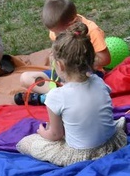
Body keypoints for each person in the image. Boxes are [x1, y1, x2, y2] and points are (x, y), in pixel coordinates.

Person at [16, 22, 126, 166]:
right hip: (113, 143)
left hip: (82, 155)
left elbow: (56, 135)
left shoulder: (56, 96)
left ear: (60, 66)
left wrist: (42, 132)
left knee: (26, 143)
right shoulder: (99, 82)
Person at [15, 0, 110, 105]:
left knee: (86, 92)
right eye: (53, 32)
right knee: (25, 78)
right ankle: (58, 96)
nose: (55, 35)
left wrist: (78, 63)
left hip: (86, 75)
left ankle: (51, 98)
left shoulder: (92, 31)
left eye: (58, 33)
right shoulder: (57, 29)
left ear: (72, 23)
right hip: (64, 73)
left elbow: (105, 59)